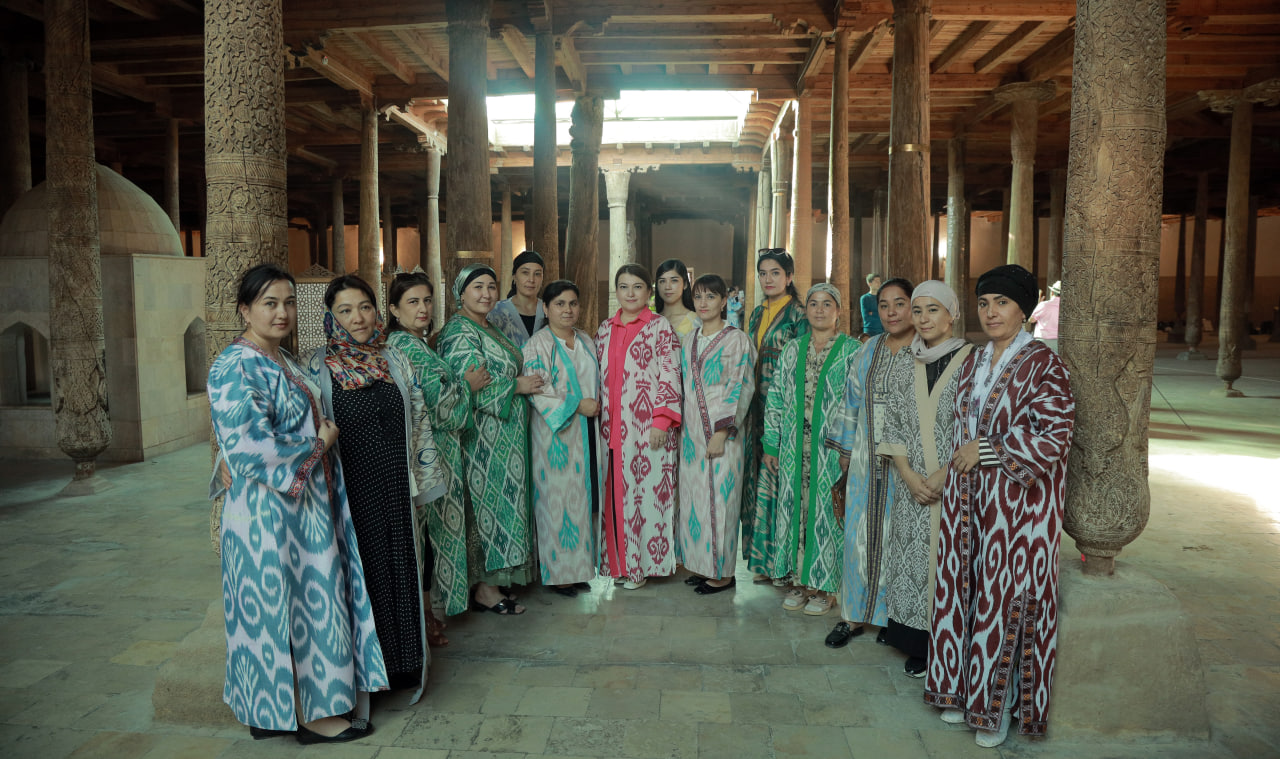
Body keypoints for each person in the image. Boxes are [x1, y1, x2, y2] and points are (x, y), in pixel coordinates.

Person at [208, 264, 379, 744]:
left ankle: (282, 711)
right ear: (245, 310)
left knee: (307, 603)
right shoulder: (235, 364)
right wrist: (319, 444)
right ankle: (308, 715)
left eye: (287, 302)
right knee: (283, 608)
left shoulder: (280, 358)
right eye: (269, 303)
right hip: (268, 517)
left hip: (303, 512)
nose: (282, 312)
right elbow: (248, 446)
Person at [925, 264, 1075, 748]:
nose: (990, 312)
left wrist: (988, 449)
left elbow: (1055, 434)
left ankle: (998, 708)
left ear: (1024, 310)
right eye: (984, 303)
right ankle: (961, 692)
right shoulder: (974, 359)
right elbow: (960, 424)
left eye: (1002, 303)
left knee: (1003, 600)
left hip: (1018, 509)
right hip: (967, 500)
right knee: (964, 592)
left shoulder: (1044, 364)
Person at [304, 274, 446, 703]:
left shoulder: (394, 359)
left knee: (401, 569)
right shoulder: (316, 368)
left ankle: (404, 665)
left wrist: (423, 486)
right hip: (351, 493)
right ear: (331, 317)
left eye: (365, 307)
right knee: (364, 576)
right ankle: (370, 672)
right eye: (345, 310)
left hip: (397, 486)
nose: (358, 318)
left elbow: (419, 420)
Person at [876, 280, 973, 677]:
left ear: (952, 314)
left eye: (933, 309)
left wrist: (946, 473)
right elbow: (893, 421)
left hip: (956, 482)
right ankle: (914, 641)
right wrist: (907, 474)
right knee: (910, 563)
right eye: (918, 311)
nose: (924, 318)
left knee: (948, 563)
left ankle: (946, 642)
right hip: (912, 484)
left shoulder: (972, 361)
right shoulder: (906, 360)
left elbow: (978, 424)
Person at [386, 273, 491, 637]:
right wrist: (467, 385)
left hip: (437, 452)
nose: (423, 308)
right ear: (394, 309)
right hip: (426, 454)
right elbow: (435, 405)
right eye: (413, 302)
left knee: (432, 535)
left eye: (427, 300)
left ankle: (429, 610)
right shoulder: (403, 345)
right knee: (425, 536)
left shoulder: (420, 343)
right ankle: (425, 615)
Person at [438, 264, 544, 615]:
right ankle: (484, 589)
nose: (486, 293)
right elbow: (471, 386)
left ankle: (496, 581)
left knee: (503, 508)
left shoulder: (488, 326)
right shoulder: (458, 332)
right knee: (486, 510)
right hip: (482, 439)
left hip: (506, 437)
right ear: (461, 293)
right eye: (477, 287)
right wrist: (516, 385)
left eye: (491, 286)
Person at [823, 277, 916, 648]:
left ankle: (894, 619)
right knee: (857, 536)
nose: (891, 312)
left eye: (899, 303)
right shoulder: (869, 349)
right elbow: (851, 399)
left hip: (909, 465)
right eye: (884, 305)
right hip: (865, 460)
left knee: (898, 538)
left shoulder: (926, 350)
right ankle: (852, 616)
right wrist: (845, 452)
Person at [761, 283, 860, 617]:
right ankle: (799, 581)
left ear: (838, 310)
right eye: (813, 303)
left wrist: (849, 448)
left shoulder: (852, 351)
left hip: (830, 450)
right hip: (793, 447)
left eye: (827, 304)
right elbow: (776, 396)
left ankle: (826, 587)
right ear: (806, 310)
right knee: (794, 510)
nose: (819, 309)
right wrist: (771, 443)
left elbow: (856, 402)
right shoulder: (792, 349)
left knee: (826, 514)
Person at [596, 263, 683, 590]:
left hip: (647, 431)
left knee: (644, 501)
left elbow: (670, 374)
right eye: (623, 287)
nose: (630, 293)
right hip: (611, 431)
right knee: (616, 499)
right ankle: (620, 564)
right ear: (616, 291)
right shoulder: (605, 329)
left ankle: (641, 567)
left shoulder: (660, 327)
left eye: (637, 287)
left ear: (648, 292)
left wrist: (661, 421)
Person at [522, 280, 602, 597]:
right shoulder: (537, 345)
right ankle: (559, 574)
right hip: (555, 438)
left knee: (582, 502)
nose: (567, 310)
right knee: (557, 503)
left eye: (572, 303)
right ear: (546, 308)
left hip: (587, 434)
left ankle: (578, 570)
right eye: (559, 304)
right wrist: (578, 405)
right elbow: (537, 389)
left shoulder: (586, 340)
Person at [678, 274, 755, 594]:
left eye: (711, 297)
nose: (704, 303)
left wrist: (722, 432)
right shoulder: (689, 339)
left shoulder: (737, 340)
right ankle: (702, 565)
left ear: (724, 301)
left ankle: (723, 573)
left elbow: (740, 386)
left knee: (722, 503)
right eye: (698, 297)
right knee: (695, 501)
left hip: (724, 435)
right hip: (691, 436)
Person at [743, 249, 809, 584]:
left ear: (789, 277)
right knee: (759, 482)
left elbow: (804, 364)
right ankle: (764, 562)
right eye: (763, 273)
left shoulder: (799, 315)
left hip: (784, 410)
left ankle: (785, 564)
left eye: (775, 273)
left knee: (782, 483)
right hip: (755, 410)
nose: (768, 279)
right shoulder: (757, 313)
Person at [489, 250, 547, 347]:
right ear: (514, 277)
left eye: (537, 274)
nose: (531, 280)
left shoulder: (550, 311)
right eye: (525, 273)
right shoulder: (495, 311)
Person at [654, 258, 700, 340]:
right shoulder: (651, 321)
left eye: (674, 280)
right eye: (662, 281)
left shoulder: (697, 321)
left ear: (685, 284)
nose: (667, 287)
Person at [1028, 280, 1061, 353]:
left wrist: (1037, 305)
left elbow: (1031, 320)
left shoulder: (1044, 305)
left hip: (1042, 340)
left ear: (1052, 293)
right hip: (1058, 341)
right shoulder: (1066, 308)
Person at [860, 273, 884, 338]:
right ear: (869, 283)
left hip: (883, 330)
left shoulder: (882, 297)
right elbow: (866, 317)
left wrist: (873, 313)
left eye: (879, 281)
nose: (879, 283)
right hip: (870, 330)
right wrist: (879, 313)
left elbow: (885, 313)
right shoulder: (865, 298)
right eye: (876, 281)